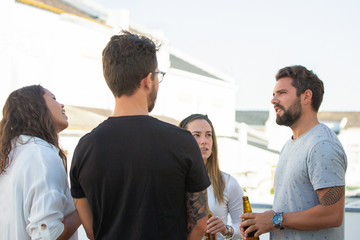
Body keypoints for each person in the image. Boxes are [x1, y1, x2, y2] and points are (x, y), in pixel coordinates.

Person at [70, 30, 211, 239]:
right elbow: (199, 224)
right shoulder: (182, 141)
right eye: (158, 75)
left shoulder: (84, 147)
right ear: (148, 80)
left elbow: (92, 230)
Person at [240, 65, 347, 240]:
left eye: (281, 93)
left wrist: (276, 219)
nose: (273, 100)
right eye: (274, 94)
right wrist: (264, 220)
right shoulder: (290, 145)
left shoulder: (322, 144)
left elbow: (332, 214)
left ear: (306, 97)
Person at [0, 85, 80, 240]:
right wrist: (82, 209)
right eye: (53, 99)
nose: (62, 105)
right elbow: (49, 234)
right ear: (35, 106)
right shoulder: (41, 156)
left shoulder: (10, 156)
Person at [180, 114, 244, 239]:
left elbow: (245, 228)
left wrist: (226, 230)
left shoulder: (228, 182)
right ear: (182, 140)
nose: (204, 141)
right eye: (196, 135)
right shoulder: (171, 181)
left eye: (208, 135)